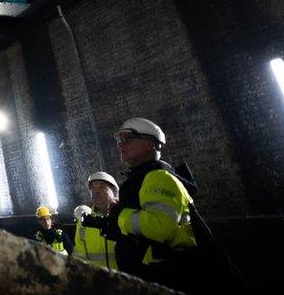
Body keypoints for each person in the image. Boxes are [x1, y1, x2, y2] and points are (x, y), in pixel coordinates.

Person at [81, 118, 197, 290]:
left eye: (127, 139)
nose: (120, 145)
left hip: (164, 273)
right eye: (120, 141)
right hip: (149, 272)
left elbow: (161, 227)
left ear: (149, 143)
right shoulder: (142, 178)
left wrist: (120, 214)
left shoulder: (158, 177)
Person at [74, 172, 119, 270]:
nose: (95, 192)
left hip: (126, 279)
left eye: (102, 187)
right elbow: (79, 255)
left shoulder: (125, 215)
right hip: (97, 280)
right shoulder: (84, 222)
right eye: (92, 189)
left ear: (114, 191)